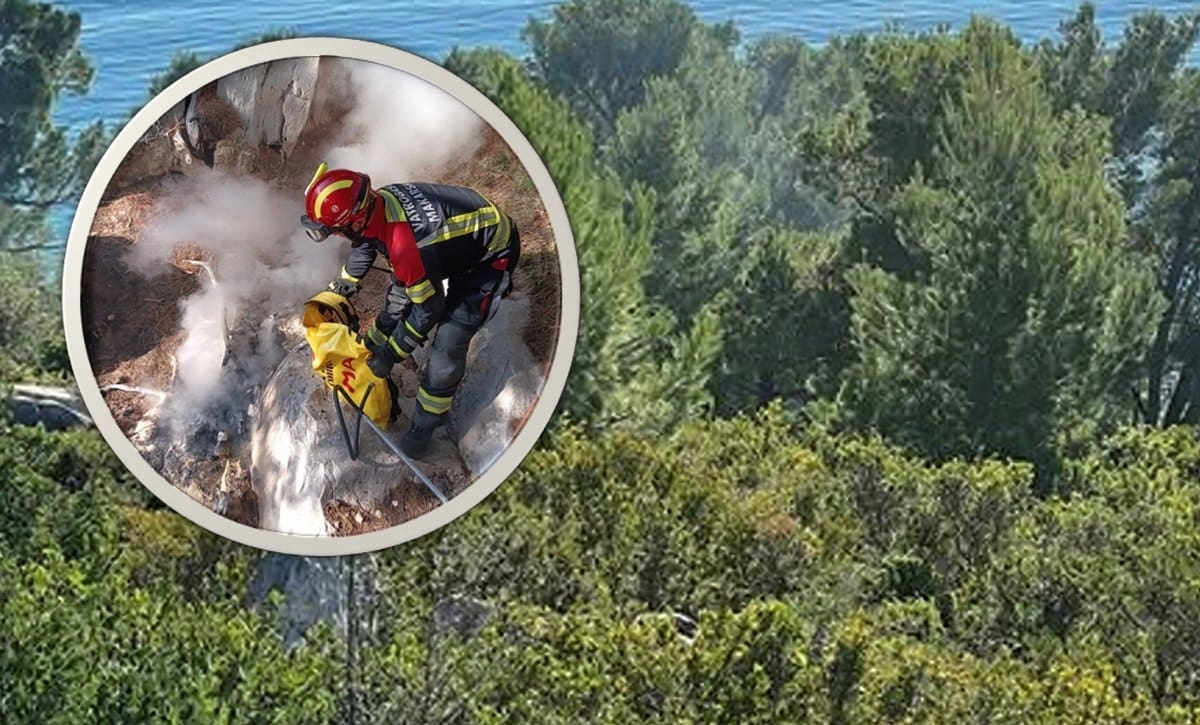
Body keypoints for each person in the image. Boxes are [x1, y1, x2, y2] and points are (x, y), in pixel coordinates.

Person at [300, 163, 520, 458]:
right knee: (398, 299)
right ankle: (375, 347)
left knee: (448, 342)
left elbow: (428, 309)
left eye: (336, 231)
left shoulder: (406, 245)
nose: (337, 236)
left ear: (354, 222)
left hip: (490, 256)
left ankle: (423, 428)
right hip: (451, 248)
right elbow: (366, 244)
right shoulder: (378, 203)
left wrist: (391, 355)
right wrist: (342, 286)